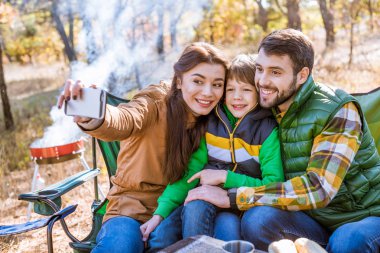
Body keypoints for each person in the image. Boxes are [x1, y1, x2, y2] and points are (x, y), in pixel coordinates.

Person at [183, 29, 380, 253]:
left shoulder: (338, 110)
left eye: (275, 72)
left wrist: (233, 197)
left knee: (348, 240)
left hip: (365, 217)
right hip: (311, 220)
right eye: (259, 69)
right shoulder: (266, 104)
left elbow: (319, 188)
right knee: (258, 219)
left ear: (302, 75)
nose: (263, 81)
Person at [57, 42, 229, 253]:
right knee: (121, 245)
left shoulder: (220, 117)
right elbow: (125, 118)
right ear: (179, 80)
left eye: (217, 84)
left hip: (179, 211)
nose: (208, 92)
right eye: (198, 81)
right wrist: (93, 114)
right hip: (131, 209)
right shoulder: (156, 102)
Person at [141, 54, 284, 242]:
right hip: (204, 197)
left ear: (258, 92)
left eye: (246, 90)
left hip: (241, 202)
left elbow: (274, 185)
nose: (237, 97)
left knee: (223, 225)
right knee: (161, 235)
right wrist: (159, 213)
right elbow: (190, 174)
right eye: (230, 89)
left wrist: (225, 178)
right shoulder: (211, 123)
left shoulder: (266, 131)